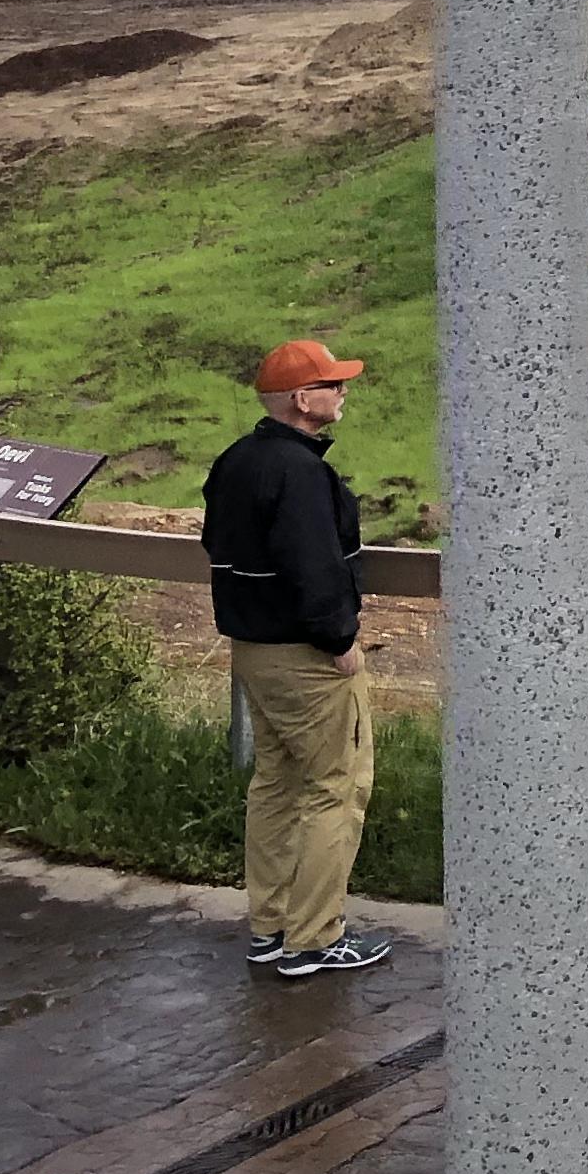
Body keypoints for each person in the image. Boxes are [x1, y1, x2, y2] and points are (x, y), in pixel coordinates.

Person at [203, 340, 388, 979]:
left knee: (277, 783)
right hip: (306, 656)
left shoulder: (236, 461)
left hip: (252, 649)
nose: (343, 394)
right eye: (333, 385)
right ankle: (314, 938)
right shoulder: (301, 473)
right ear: (301, 400)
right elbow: (315, 567)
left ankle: (271, 925)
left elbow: (215, 545)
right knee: (337, 786)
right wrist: (340, 641)